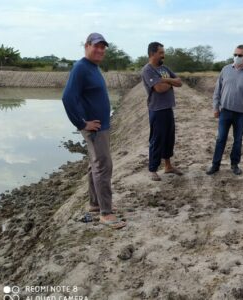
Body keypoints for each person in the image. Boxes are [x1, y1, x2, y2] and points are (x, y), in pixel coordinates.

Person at [62, 33, 126, 229]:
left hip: (102, 126)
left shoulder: (93, 67)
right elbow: (67, 98)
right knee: (103, 166)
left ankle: (94, 204)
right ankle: (106, 213)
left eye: (103, 47)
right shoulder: (81, 67)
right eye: (96, 46)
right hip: (95, 128)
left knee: (95, 164)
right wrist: (81, 123)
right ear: (87, 46)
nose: (100, 50)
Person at [206, 44, 243, 176]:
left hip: (240, 114)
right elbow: (217, 91)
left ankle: (234, 164)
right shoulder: (225, 70)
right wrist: (215, 107)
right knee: (221, 138)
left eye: (240, 55)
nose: (237, 57)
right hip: (225, 111)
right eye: (235, 55)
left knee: (238, 140)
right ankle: (215, 165)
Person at [141, 42, 183, 181]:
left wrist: (166, 80)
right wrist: (170, 83)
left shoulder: (164, 68)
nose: (163, 55)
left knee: (169, 139)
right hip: (156, 110)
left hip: (168, 108)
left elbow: (180, 82)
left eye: (163, 52)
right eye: (161, 52)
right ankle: (153, 169)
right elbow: (159, 88)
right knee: (157, 140)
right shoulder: (148, 70)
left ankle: (168, 166)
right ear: (152, 53)